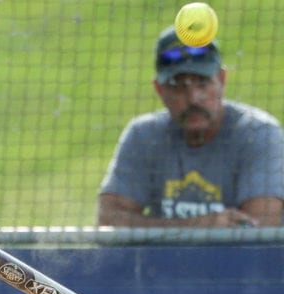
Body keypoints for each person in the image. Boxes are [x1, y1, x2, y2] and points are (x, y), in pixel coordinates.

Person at [97, 26, 284, 228]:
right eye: (178, 85)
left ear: (222, 79)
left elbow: (257, 230)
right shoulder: (143, 136)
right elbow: (109, 220)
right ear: (159, 90)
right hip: (165, 261)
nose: (193, 98)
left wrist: (160, 231)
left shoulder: (259, 135)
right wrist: (201, 226)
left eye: (202, 82)